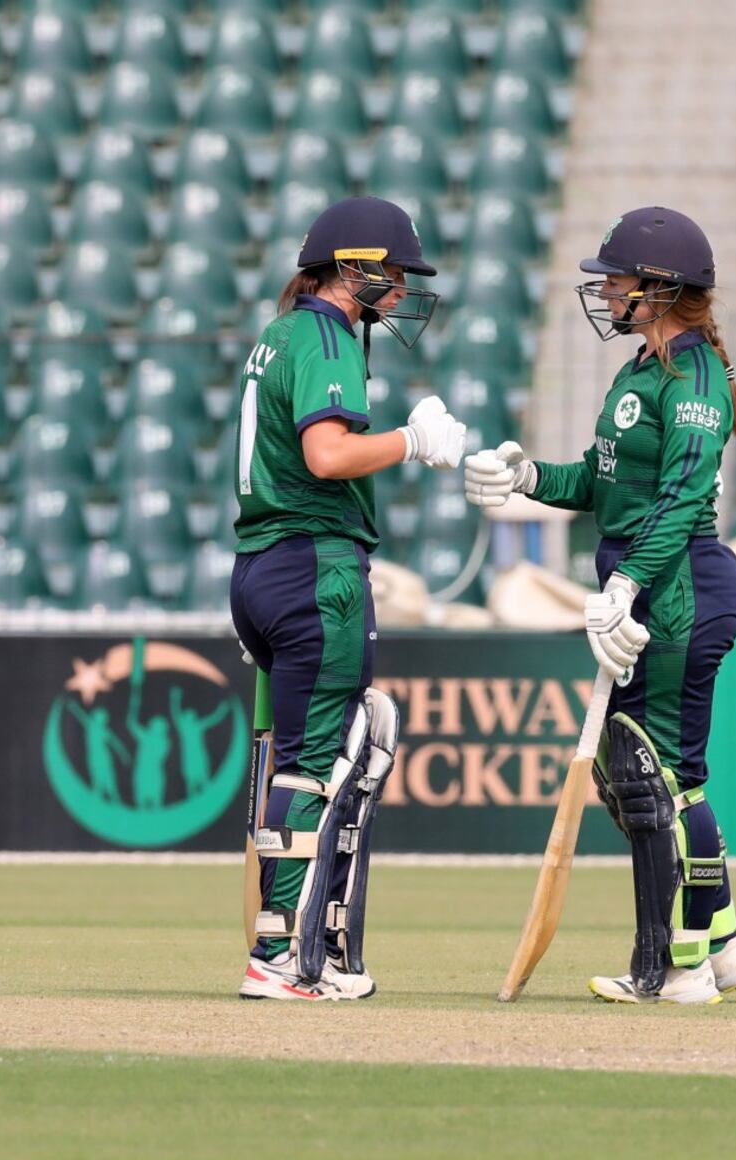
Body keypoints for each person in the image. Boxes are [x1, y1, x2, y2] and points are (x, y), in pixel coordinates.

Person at [465, 206, 736, 1004]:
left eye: (618, 279)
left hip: (681, 588)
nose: (605, 292)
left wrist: (627, 584)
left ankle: (670, 965)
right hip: (655, 585)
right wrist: (530, 479)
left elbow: (678, 499)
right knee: (677, 778)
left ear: (662, 288)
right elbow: (603, 486)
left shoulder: (694, 379)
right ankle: (721, 943)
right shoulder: (640, 370)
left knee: (646, 775)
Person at [230, 197, 466, 1001]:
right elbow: (327, 455)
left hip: (262, 566)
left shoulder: (281, 332)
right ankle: (280, 957)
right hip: (315, 566)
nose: (402, 289)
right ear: (352, 268)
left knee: (307, 755)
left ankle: (301, 947)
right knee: (319, 764)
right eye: (393, 273)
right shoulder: (326, 335)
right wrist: (412, 442)